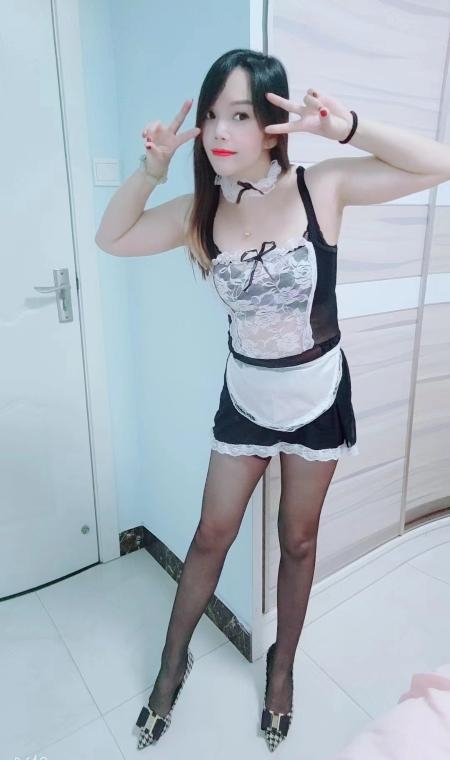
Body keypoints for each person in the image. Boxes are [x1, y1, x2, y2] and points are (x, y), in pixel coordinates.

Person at [95, 48, 450, 753]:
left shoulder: (323, 187)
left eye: (241, 115)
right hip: (246, 398)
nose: (220, 131)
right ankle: (171, 664)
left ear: (272, 124)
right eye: (212, 116)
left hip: (317, 397)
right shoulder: (199, 212)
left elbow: (438, 163)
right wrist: (151, 171)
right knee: (210, 535)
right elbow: (113, 238)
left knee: (298, 540)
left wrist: (348, 128)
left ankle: (281, 671)